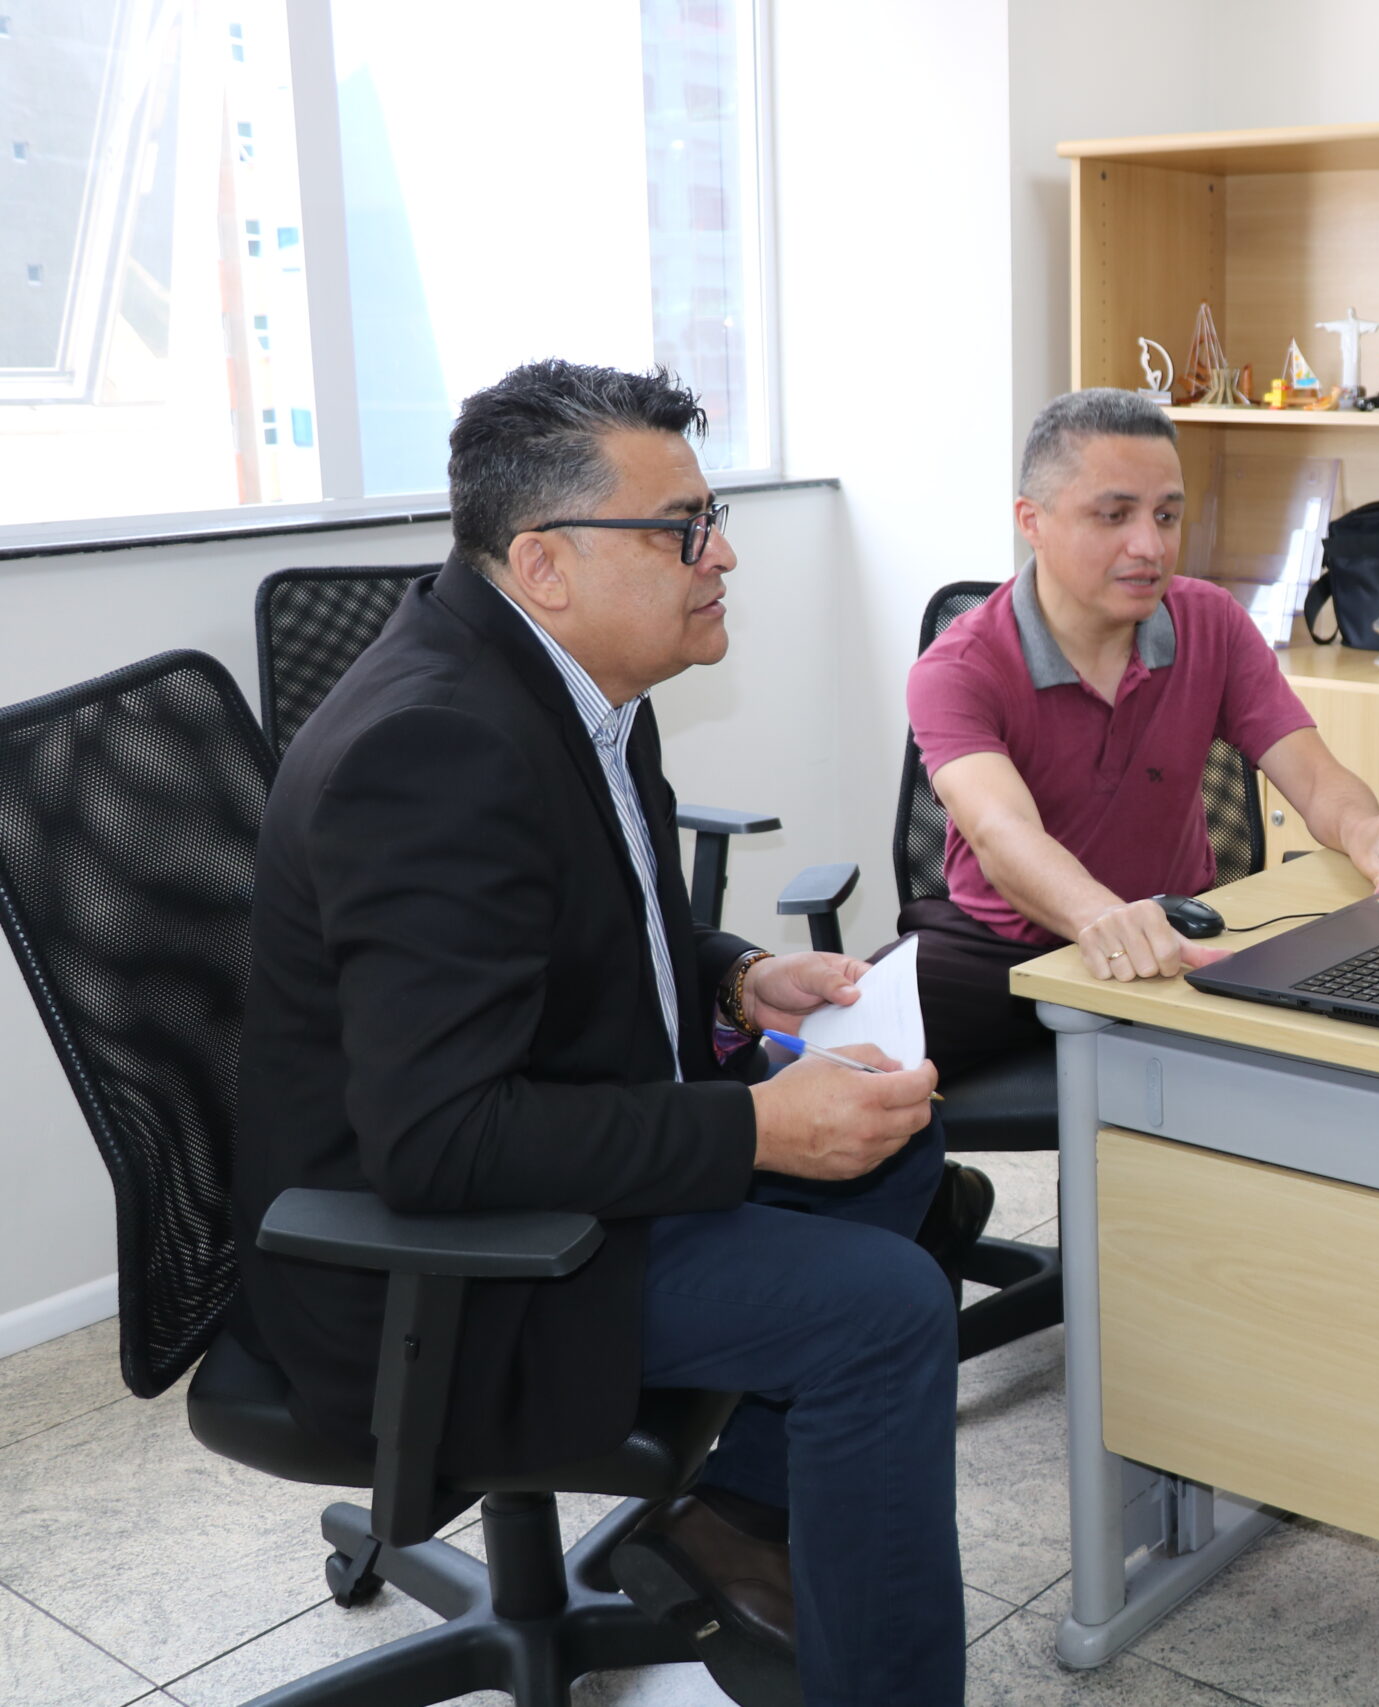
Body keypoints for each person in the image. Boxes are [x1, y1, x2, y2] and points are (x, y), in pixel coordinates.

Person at [233, 361, 960, 1707]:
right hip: (435, 1269)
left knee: (900, 1157)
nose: (723, 550)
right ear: (548, 561)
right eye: (683, 526)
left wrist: (741, 978)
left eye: (712, 512)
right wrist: (752, 1121)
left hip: (549, 1161)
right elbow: (440, 1141)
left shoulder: (571, 681)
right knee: (881, 1308)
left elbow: (578, 920)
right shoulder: (434, 747)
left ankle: (719, 1517)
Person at [901, 387, 1379, 1077]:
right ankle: (934, 1189)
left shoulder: (1212, 623)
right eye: (1114, 515)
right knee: (846, 1050)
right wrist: (1102, 917)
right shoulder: (959, 667)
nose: (1150, 545)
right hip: (1001, 950)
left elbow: (1313, 777)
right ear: (1031, 522)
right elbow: (1003, 836)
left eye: (1166, 515)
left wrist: (1366, 830)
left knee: (1337, 1063)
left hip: (1176, 934)